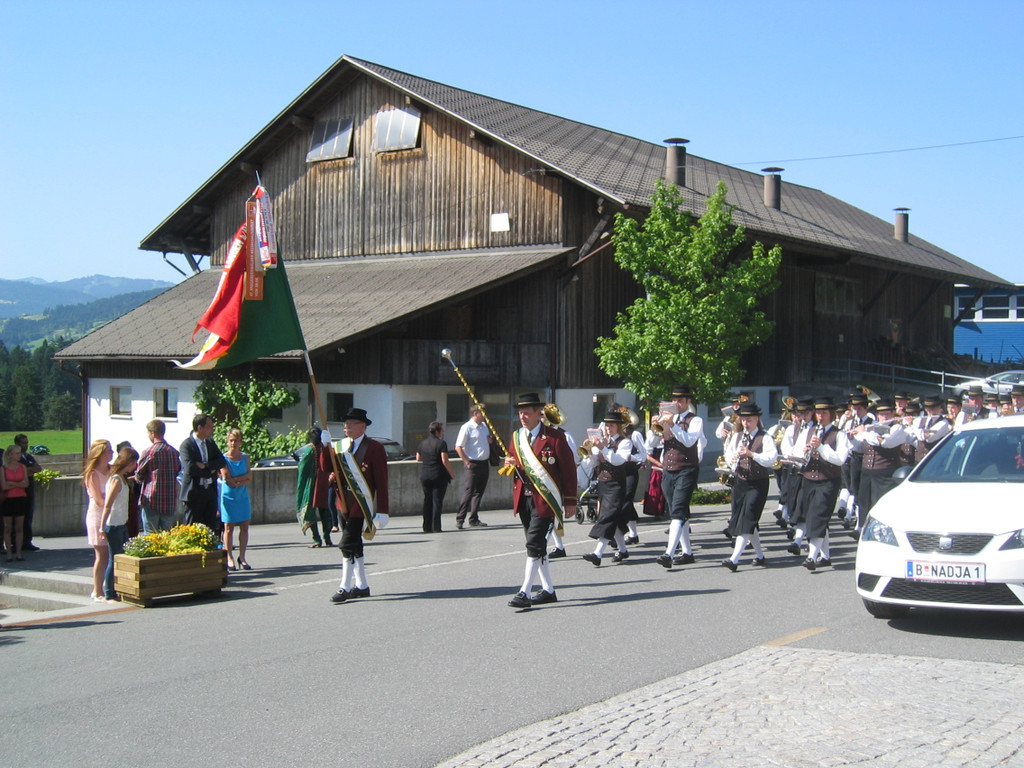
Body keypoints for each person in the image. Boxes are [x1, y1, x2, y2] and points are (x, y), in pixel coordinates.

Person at [504, 393, 577, 609]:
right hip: (524, 499)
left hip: (545, 500)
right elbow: (514, 462)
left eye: (527, 413)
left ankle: (524, 592)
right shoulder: (517, 437)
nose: (522, 417)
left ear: (539, 414)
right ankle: (548, 590)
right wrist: (509, 463)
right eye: (520, 413)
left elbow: (569, 471)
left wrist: (570, 501)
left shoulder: (555, 438)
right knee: (538, 546)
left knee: (534, 544)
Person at [330, 408, 390, 604]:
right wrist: (323, 446)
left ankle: (344, 587)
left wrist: (383, 510)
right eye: (345, 423)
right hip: (343, 501)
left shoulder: (374, 448)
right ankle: (362, 586)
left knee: (346, 544)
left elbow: (381, 480)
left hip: (361, 503)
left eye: (351, 423)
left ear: (363, 426)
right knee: (355, 545)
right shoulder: (341, 446)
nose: (346, 426)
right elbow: (328, 468)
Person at [790, 398, 848, 570]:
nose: (820, 416)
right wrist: (803, 454)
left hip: (828, 480)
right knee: (813, 517)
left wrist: (821, 447)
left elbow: (840, 459)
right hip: (809, 479)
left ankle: (811, 557)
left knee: (818, 516)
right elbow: (796, 453)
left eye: (824, 412)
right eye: (818, 412)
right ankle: (825, 556)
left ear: (831, 414)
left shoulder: (840, 434)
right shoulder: (810, 431)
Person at [721, 402, 777, 571]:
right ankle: (759, 555)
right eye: (743, 420)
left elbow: (771, 459)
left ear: (757, 419)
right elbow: (728, 453)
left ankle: (734, 559)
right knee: (746, 519)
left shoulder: (765, 437)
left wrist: (752, 454)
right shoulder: (737, 436)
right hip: (741, 482)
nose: (746, 423)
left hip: (758, 482)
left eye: (749, 420)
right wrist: (732, 460)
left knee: (748, 517)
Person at [655, 385, 706, 569]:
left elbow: (689, 441)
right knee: (677, 511)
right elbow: (653, 443)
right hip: (669, 470)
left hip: (686, 469)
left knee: (677, 510)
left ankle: (668, 553)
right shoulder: (669, 419)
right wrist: (656, 427)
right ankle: (687, 552)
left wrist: (672, 425)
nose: (677, 403)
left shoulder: (696, 420)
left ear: (688, 401)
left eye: (681, 400)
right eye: (675, 400)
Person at [581, 409, 632, 565]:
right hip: (603, 484)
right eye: (607, 426)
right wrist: (589, 452)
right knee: (613, 518)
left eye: (612, 426)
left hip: (616, 485)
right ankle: (622, 550)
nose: (608, 429)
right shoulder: (605, 442)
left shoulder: (625, 442)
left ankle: (597, 554)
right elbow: (593, 464)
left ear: (619, 427)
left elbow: (618, 460)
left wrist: (603, 448)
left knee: (607, 516)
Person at [99, 446, 139, 600]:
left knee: (122, 556)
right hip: (114, 524)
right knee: (115, 558)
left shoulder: (122, 478)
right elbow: (108, 505)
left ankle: (118, 588)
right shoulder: (116, 480)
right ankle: (109, 592)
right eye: (133, 463)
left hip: (121, 523)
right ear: (128, 462)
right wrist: (102, 527)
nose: (135, 466)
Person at [179, 413, 226, 534]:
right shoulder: (187, 445)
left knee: (210, 529)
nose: (212, 429)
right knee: (193, 530)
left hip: (209, 491)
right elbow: (190, 468)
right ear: (200, 428)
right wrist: (209, 472)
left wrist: (206, 466)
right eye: (209, 426)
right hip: (194, 493)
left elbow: (221, 461)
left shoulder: (210, 443)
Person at [135, 419, 181, 533]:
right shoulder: (174, 452)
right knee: (167, 535)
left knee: (150, 534)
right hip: (169, 499)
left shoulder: (149, 452)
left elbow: (139, 475)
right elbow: (178, 470)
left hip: (152, 499)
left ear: (153, 433)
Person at [218, 428, 253, 571]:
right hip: (228, 496)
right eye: (231, 440)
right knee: (228, 527)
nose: (233, 443)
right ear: (228, 441)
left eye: (236, 441)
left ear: (240, 442)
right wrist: (241, 480)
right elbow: (227, 478)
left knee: (245, 526)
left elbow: (249, 477)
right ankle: (229, 557)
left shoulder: (245, 457)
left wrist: (237, 481)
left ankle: (242, 557)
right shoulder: (223, 458)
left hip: (242, 496)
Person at [83, 439, 113, 602]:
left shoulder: (112, 470)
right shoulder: (92, 474)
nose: (112, 454)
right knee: (102, 554)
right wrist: (112, 498)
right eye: (108, 451)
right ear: (100, 454)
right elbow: (99, 500)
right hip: (97, 516)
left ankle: (110, 587)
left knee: (112, 553)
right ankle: (97, 590)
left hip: (112, 515)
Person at [296, 428, 335, 548]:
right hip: (323, 482)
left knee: (310, 511)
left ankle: (317, 539)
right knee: (324, 510)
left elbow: (302, 468)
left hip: (312, 484)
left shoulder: (309, 450)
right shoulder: (325, 448)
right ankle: (327, 538)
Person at [454, 405, 492, 528]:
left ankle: (474, 518)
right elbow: (458, 447)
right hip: (473, 463)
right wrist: (467, 461)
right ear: (476, 413)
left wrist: (490, 441)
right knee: (469, 491)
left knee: (479, 492)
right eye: (482, 412)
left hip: (484, 462)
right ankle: (460, 518)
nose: (485, 415)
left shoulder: (484, 426)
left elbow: (486, 441)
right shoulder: (467, 427)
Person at [416, 421, 455, 533]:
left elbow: (418, 458)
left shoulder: (423, 443)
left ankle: (426, 526)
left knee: (427, 500)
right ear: (437, 431)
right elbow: (445, 460)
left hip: (425, 475)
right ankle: (436, 526)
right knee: (437, 501)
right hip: (438, 475)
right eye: (442, 430)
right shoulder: (441, 443)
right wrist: (452, 474)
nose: (443, 431)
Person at [2, 444, 31, 562]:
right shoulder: (3, 468)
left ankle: (19, 553)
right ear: (10, 455)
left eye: (20, 453)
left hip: (20, 498)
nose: (19, 455)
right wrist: (19, 484)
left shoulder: (22, 467)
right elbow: (4, 486)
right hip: (8, 499)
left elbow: (26, 484)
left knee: (19, 527)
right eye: (17, 453)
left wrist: (12, 483)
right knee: (8, 528)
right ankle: (9, 553)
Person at [14, 435, 42, 551]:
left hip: (29, 493)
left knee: (28, 518)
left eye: (26, 442)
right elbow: (16, 470)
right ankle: (15, 543)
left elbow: (38, 468)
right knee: (17, 519)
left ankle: (27, 542)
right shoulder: (14, 457)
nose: (25, 445)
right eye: (23, 443)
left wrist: (26, 470)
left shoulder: (28, 456)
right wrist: (28, 470)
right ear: (17, 444)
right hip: (17, 493)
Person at [642, 413, 666, 518]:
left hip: (666, 461)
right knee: (655, 487)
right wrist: (659, 464)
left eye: (657, 421)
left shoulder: (668, 431)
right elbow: (647, 454)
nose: (655, 423)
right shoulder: (651, 434)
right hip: (657, 465)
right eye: (653, 422)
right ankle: (656, 511)